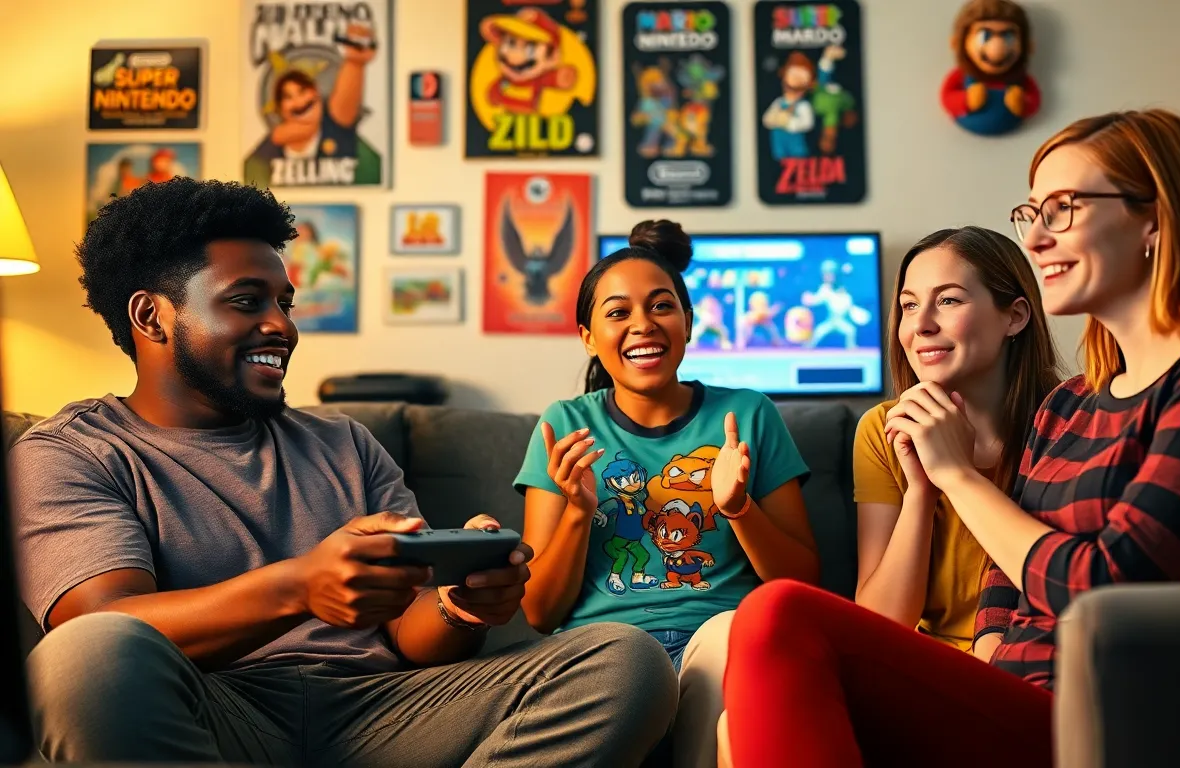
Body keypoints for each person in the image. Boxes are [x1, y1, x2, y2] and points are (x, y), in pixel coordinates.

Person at [719, 108, 1180, 767]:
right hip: (1019, 696)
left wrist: (952, 475)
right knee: (760, 673)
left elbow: (1113, 586)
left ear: (1156, 217)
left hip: (1123, 704)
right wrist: (972, 682)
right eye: (1031, 214)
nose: (1035, 240)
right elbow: (1002, 593)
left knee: (781, 615)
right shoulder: (1069, 404)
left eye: (1063, 209)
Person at [13, 178, 676, 767]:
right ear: (151, 315)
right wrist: (301, 587)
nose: (281, 326)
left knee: (623, 660)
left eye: (286, 303)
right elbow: (102, 622)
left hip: (387, 707)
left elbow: (410, 636)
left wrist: (458, 606)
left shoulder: (341, 441)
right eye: (247, 301)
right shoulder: (70, 452)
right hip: (215, 712)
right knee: (86, 660)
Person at [515, 220, 819, 768]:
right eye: (616, 313)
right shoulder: (564, 426)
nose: (642, 326)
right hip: (604, 651)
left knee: (732, 636)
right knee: (629, 661)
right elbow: (539, 611)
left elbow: (801, 586)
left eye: (661, 307)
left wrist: (737, 509)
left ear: (688, 322)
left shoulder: (748, 415)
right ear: (587, 336)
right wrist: (579, 513)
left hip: (722, 638)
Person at [853, 226, 1061, 654]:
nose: (921, 325)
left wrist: (958, 474)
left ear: (1015, 317)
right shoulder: (883, 428)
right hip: (926, 667)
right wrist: (923, 489)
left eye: (948, 300)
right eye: (909, 306)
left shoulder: (1068, 421)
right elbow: (880, 625)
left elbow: (1061, 588)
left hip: (1027, 661)